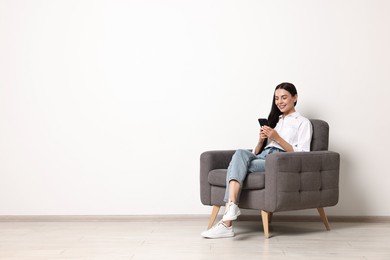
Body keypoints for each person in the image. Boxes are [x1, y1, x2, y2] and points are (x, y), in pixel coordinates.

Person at [201, 82, 313, 239]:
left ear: (295, 97)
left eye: (284, 97)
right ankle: (231, 208)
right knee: (240, 153)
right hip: (263, 155)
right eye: (276, 98)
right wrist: (261, 140)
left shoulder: (303, 122)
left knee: (237, 164)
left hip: (278, 161)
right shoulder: (276, 120)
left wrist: (277, 139)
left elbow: (303, 153)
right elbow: (257, 152)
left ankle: (227, 223)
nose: (279, 102)